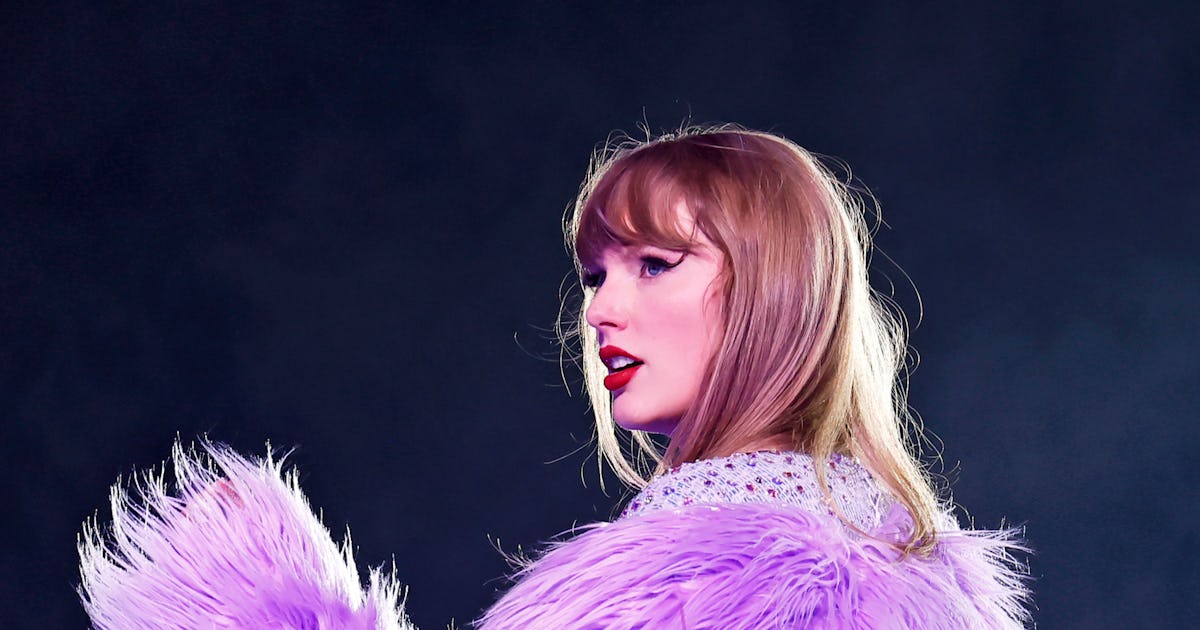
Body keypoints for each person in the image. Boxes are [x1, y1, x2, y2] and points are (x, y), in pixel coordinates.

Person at [78, 126, 1031, 629]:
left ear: (777, 288)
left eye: (654, 264)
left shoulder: (712, 578)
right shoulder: (897, 562)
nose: (603, 310)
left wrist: (269, 606)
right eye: (595, 276)